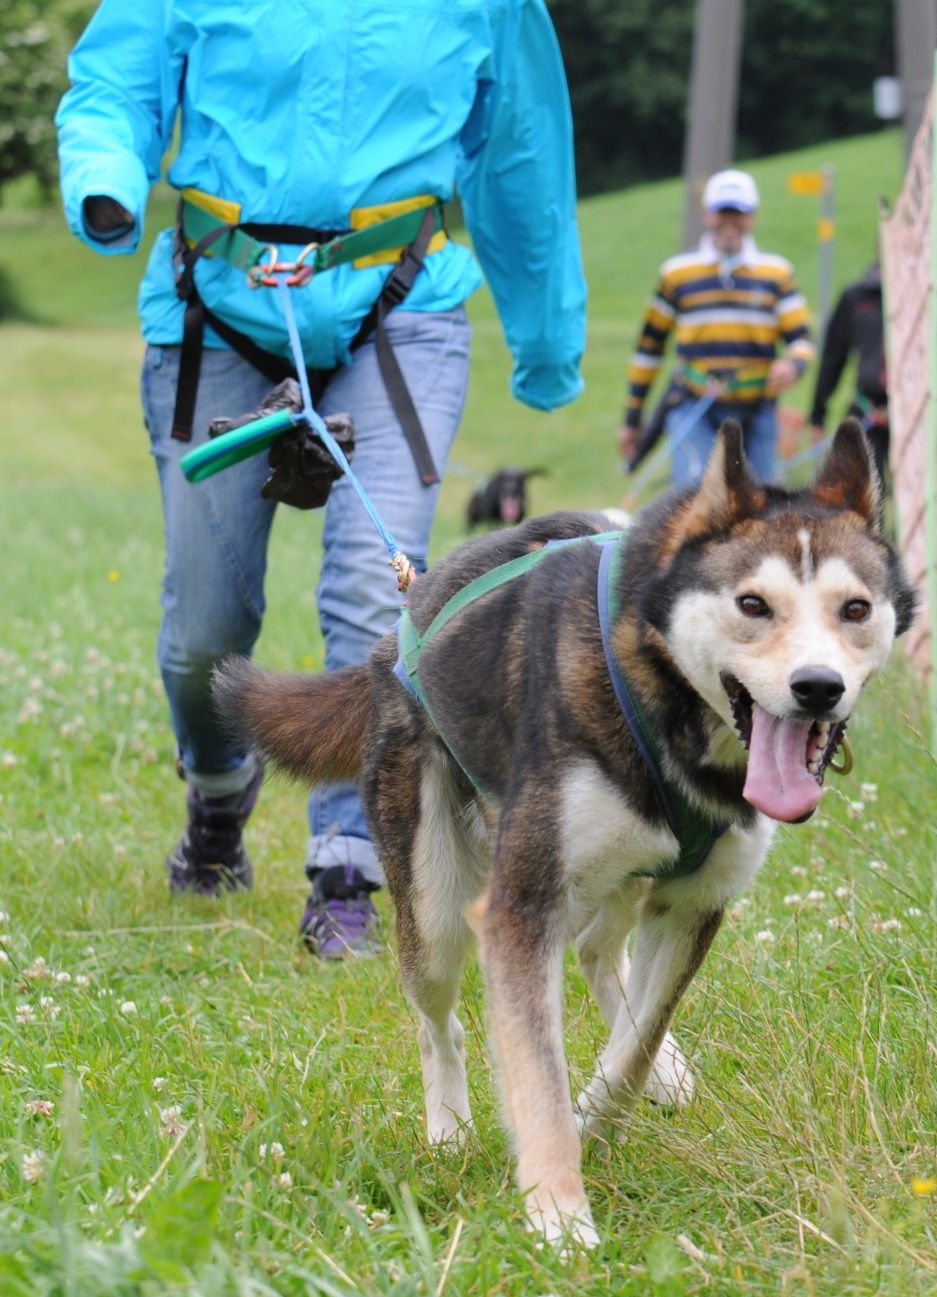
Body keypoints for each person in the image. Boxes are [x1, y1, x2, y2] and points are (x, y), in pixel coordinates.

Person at [55, 0, 586, 960]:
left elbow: (521, 152)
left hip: (399, 303)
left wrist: (547, 341)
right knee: (206, 626)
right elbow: (115, 85)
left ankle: (348, 865)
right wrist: (106, 181)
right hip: (214, 305)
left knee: (372, 596)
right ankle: (218, 793)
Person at [617, 169, 813, 488]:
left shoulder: (777, 273)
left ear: (752, 216)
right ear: (707, 214)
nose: (730, 221)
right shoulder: (677, 274)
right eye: (723, 212)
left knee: (761, 509)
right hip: (694, 405)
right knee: (696, 500)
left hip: (757, 408)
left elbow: (802, 338)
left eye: (739, 212)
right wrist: (632, 418)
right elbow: (648, 350)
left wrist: (794, 365)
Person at [808, 259, 890, 495]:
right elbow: (833, 357)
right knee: (864, 494)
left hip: (915, 415)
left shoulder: (931, 294)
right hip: (869, 410)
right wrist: (818, 415)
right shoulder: (856, 297)